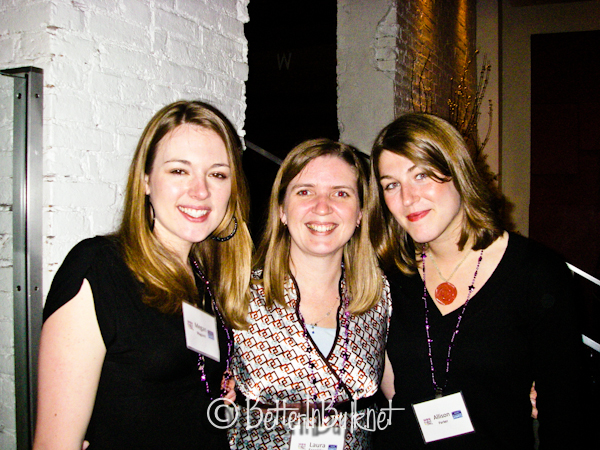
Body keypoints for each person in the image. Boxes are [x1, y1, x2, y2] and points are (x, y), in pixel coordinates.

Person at [33, 100, 253, 450]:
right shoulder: (99, 268)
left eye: (217, 174)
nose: (200, 191)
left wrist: (213, 388)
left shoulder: (205, 274)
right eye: (179, 171)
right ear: (146, 180)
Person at [369, 112, 582, 449]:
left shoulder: (535, 273)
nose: (407, 198)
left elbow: (566, 414)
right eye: (391, 185)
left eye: (421, 175)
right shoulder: (389, 273)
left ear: (459, 172)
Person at [228, 139, 392, 449]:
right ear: (282, 209)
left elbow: (404, 389)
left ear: (360, 212)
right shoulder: (237, 295)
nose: (322, 206)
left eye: (340, 193)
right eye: (305, 192)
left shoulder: (379, 295)